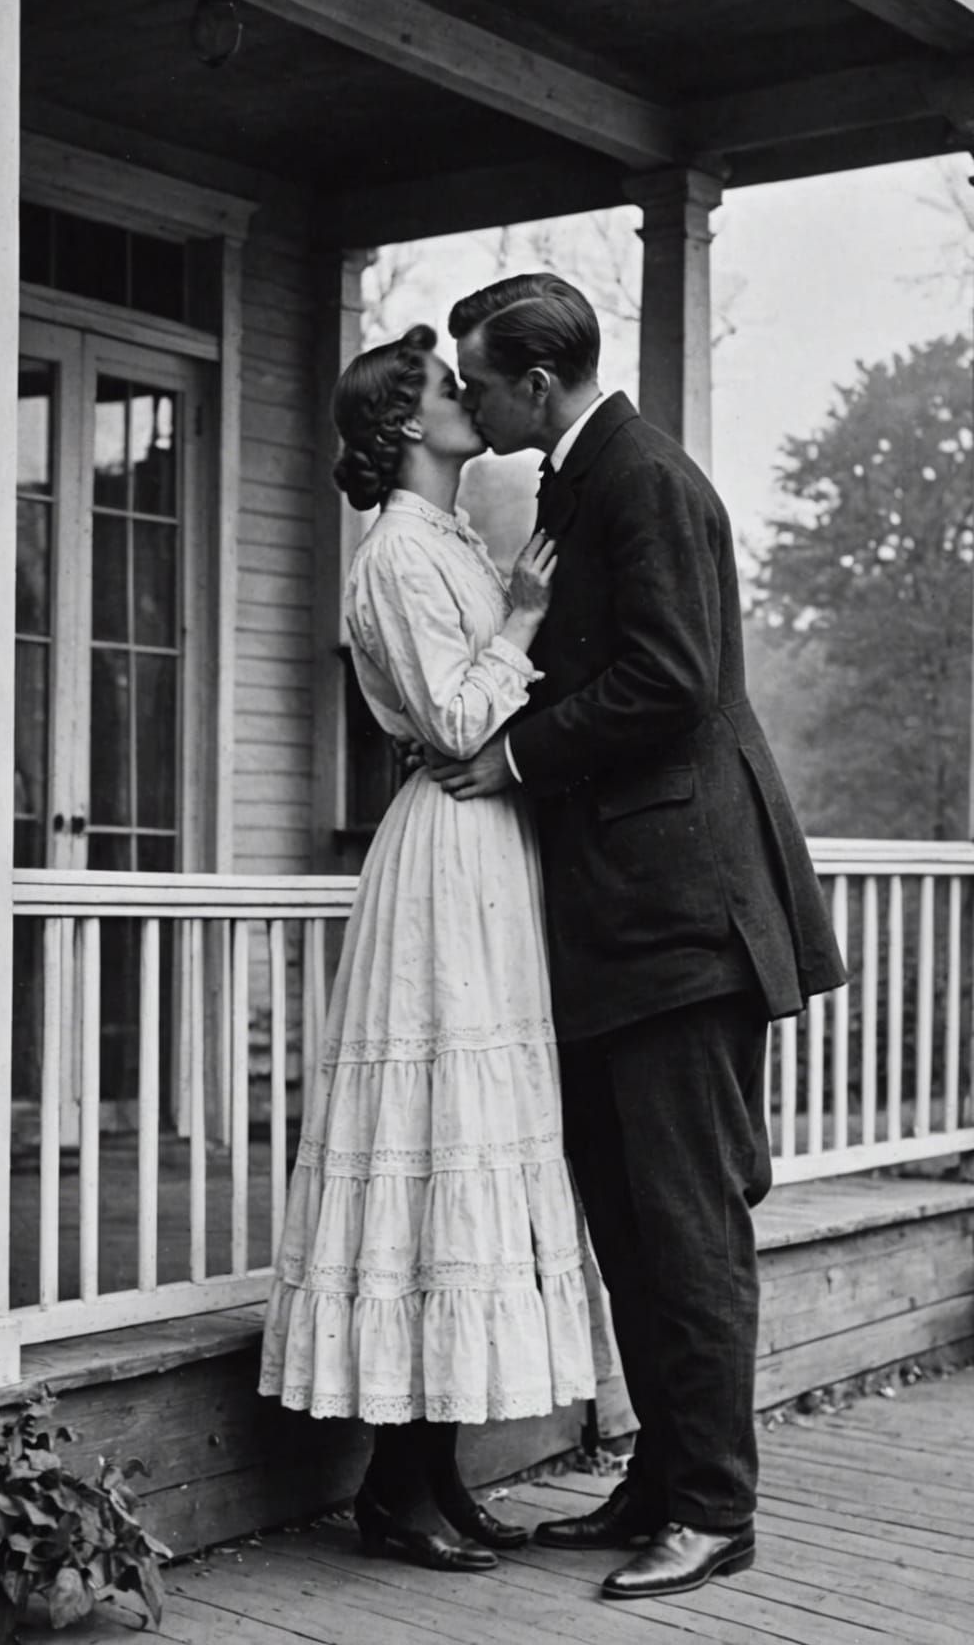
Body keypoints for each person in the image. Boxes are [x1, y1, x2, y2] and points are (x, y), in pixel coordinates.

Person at [430, 274, 847, 1602]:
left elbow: (673, 677)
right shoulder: (582, 475)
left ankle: (715, 1513)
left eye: (479, 377)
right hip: (626, 924)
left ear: (537, 382)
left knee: (685, 1226)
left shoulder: (644, 479)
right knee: (631, 1215)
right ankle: (666, 1481)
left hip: (683, 921)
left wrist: (515, 758)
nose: (470, 396)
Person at [257, 322, 609, 1573]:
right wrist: (520, 615)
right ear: (405, 425)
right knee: (436, 1146)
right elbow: (459, 717)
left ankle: (437, 1476)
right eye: (445, 388)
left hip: (494, 853)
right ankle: (393, 1490)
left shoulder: (456, 536)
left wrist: (512, 605)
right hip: (444, 855)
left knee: (481, 1140)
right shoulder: (399, 552)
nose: (469, 398)